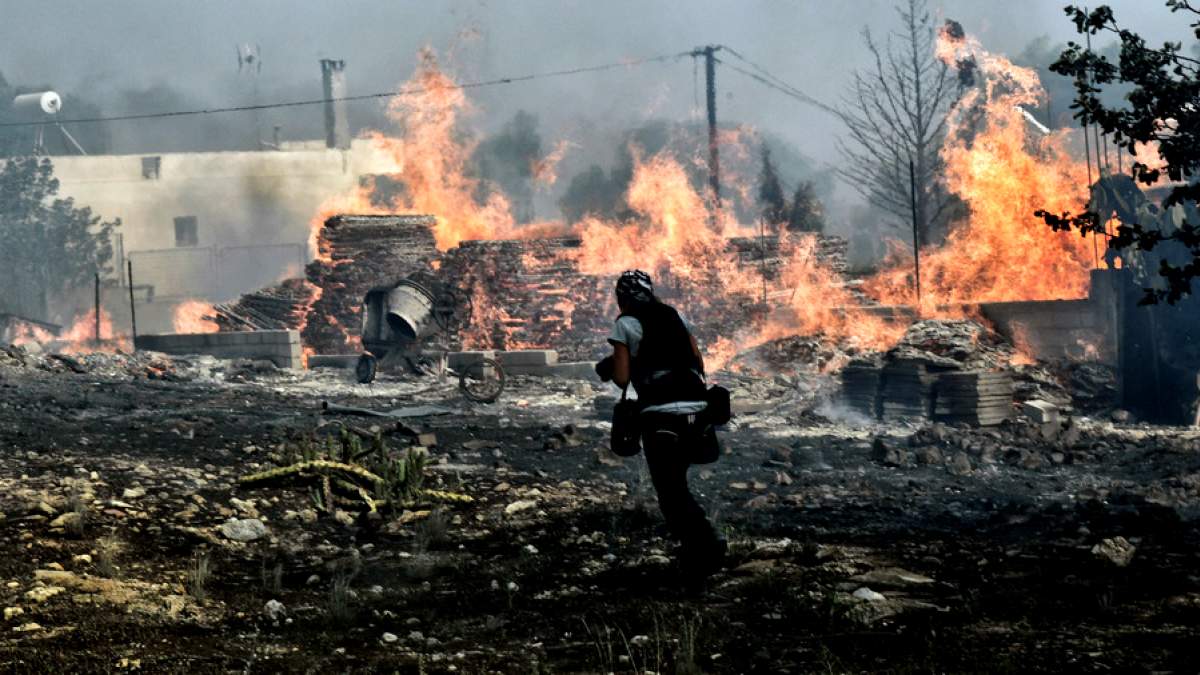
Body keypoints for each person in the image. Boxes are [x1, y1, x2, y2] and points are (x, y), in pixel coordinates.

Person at [597, 270, 726, 580]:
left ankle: (705, 547)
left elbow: (623, 378)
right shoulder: (674, 315)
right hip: (697, 410)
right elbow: (697, 358)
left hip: (661, 415)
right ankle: (699, 548)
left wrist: (610, 364)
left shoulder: (625, 324)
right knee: (676, 482)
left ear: (622, 296)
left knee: (670, 491)